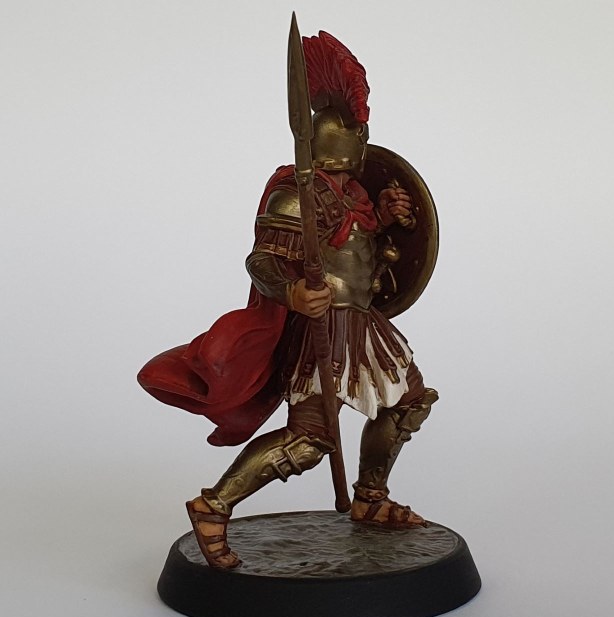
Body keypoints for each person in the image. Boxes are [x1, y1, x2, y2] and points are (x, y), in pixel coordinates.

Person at [138, 30, 438, 569]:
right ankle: (213, 506)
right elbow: (262, 262)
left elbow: (359, 249)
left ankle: (370, 497)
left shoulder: (353, 192)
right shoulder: (294, 195)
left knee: (408, 402)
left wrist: (389, 218)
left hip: (363, 325)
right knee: (310, 440)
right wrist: (294, 292)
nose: (362, 139)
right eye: (356, 133)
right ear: (338, 142)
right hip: (323, 329)